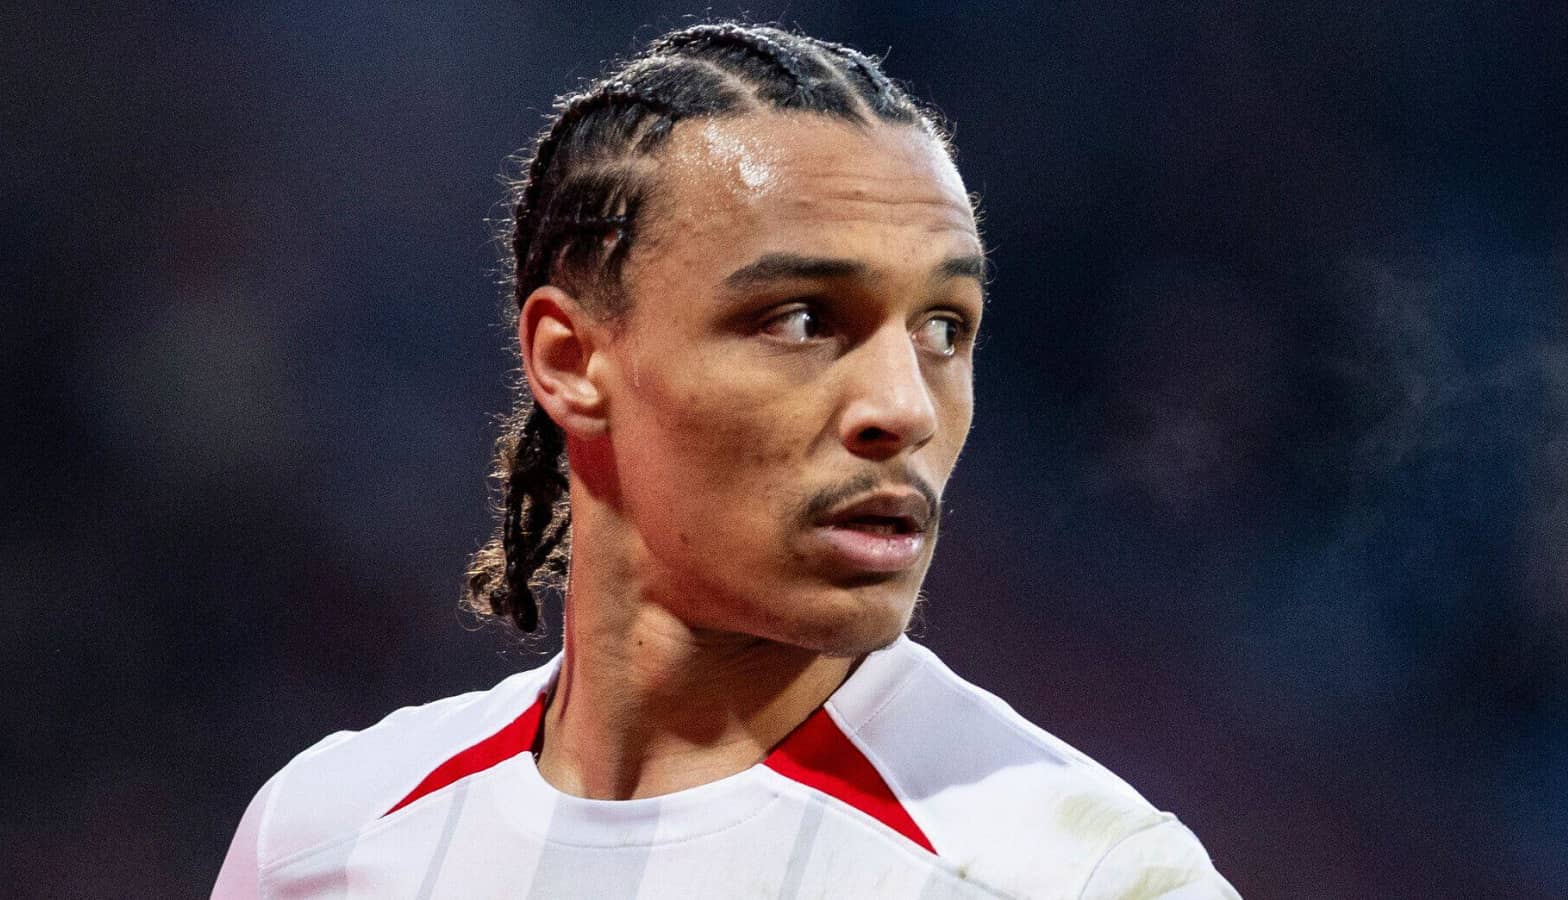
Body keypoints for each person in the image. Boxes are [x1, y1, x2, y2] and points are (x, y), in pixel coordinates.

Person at [212, 22, 1238, 899]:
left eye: (943, 328)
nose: (904, 408)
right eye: (801, 319)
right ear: (570, 362)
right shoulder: (322, 842)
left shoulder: (1083, 875)